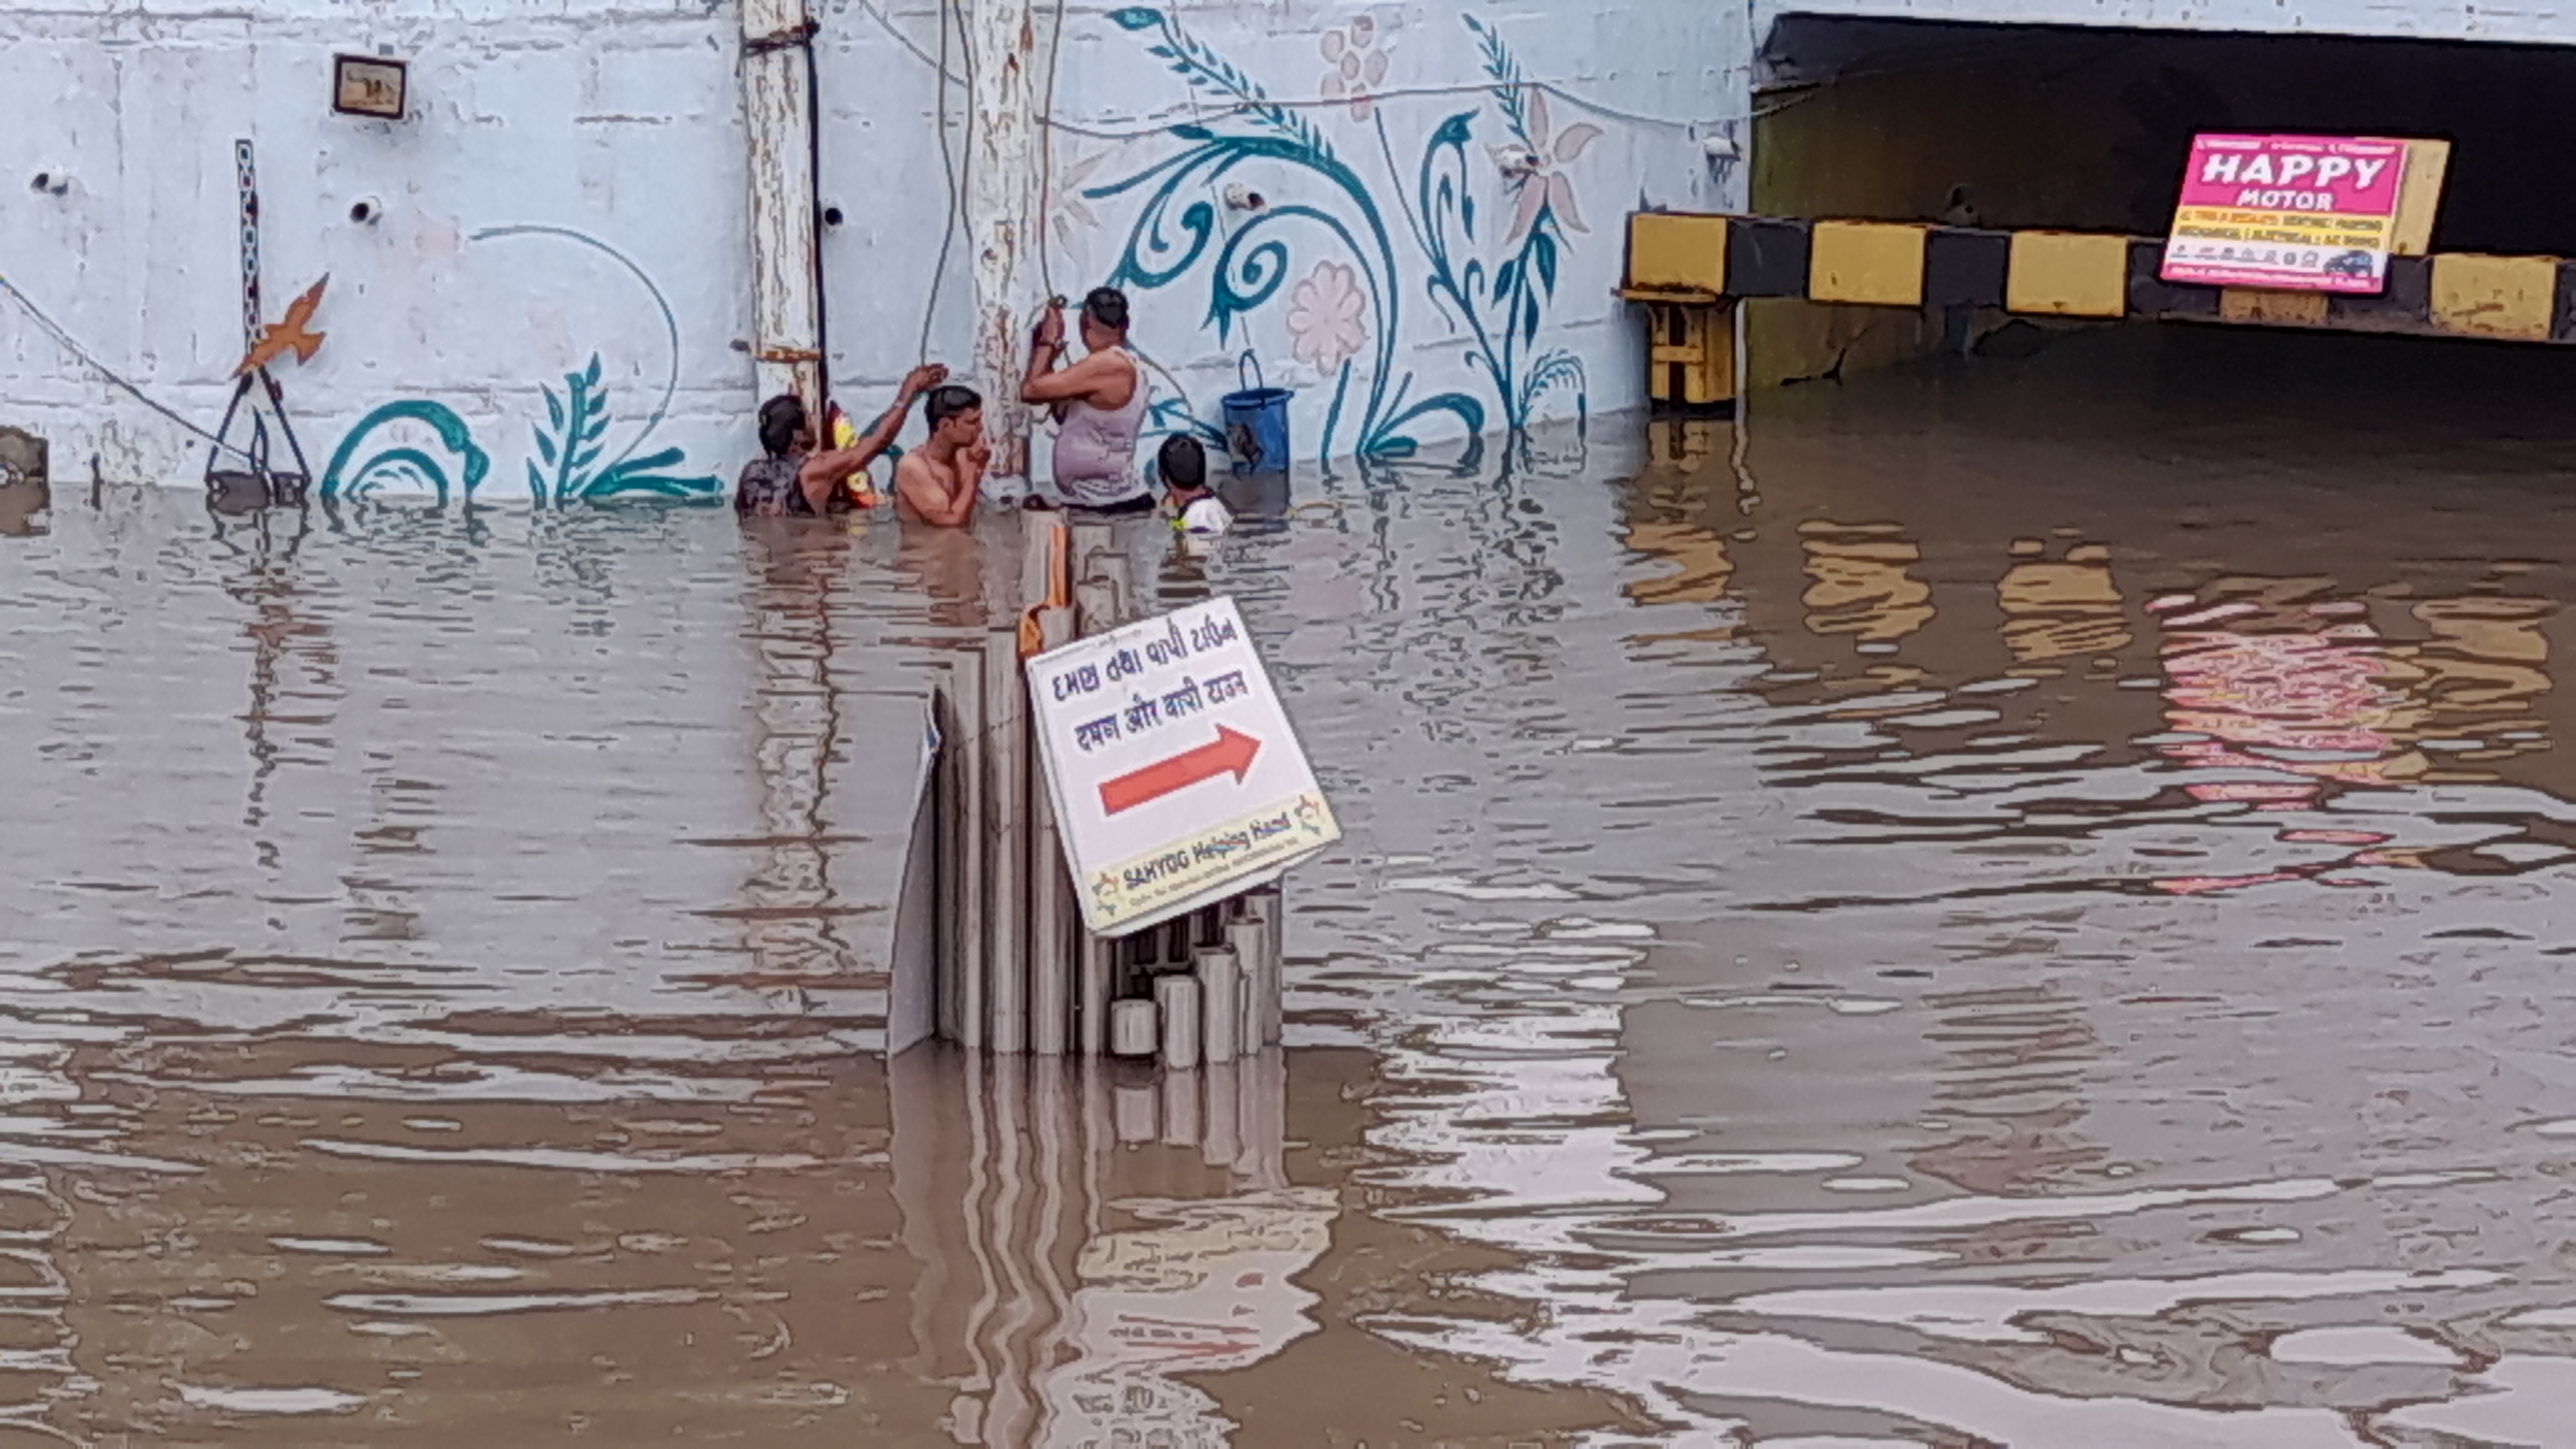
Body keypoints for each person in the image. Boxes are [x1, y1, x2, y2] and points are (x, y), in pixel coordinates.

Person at [735, 364, 945, 517]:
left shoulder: (750, 473)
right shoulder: (814, 471)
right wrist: (907, 394)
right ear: (797, 434)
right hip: (805, 566)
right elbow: (875, 444)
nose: (813, 423)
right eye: (808, 419)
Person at [1023, 286, 1151, 516]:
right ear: (1126, 324)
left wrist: (1048, 340)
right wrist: (1045, 357)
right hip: (1093, 502)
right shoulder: (1105, 367)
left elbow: (1031, 391)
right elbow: (1061, 413)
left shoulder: (1108, 364)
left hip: (1109, 505)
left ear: (1084, 323)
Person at [893, 384, 989, 529]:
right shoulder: (913, 466)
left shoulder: (965, 457)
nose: (980, 428)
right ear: (945, 425)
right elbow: (951, 522)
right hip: (925, 549)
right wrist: (974, 471)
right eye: (972, 422)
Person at [1154, 433, 1231, 537]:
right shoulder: (1212, 506)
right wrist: (1171, 519)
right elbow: (1184, 525)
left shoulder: (1198, 522)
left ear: (1166, 478)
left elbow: (1196, 548)